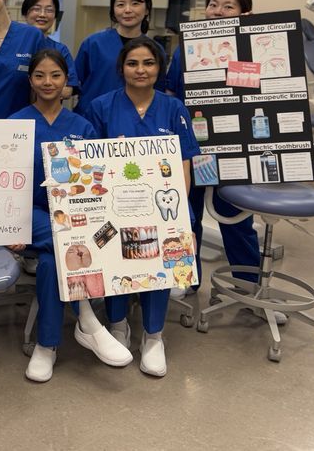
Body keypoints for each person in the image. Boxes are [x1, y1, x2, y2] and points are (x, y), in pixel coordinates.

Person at [7, 49, 132, 382]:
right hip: (27, 214)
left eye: (55, 75)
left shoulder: (83, 127)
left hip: (71, 218)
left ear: (66, 81)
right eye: (39, 75)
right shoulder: (15, 124)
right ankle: (88, 321)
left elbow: (92, 187)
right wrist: (7, 228)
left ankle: (46, 346)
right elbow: (4, 186)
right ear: (30, 80)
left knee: (53, 260)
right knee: (68, 241)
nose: (47, 82)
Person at [84, 37, 200, 378]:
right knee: (114, 257)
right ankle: (118, 325)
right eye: (132, 63)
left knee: (159, 260)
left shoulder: (173, 108)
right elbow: (90, 164)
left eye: (148, 63)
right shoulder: (101, 107)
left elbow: (184, 164)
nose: (140, 70)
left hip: (164, 207)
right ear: (121, 68)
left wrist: (177, 214)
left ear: (159, 68)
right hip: (114, 206)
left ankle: (153, 335)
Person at [166, 0, 264, 308]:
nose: (218, 11)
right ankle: (185, 277)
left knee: (236, 219)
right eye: (213, 4)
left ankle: (248, 287)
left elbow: (257, 100)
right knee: (186, 216)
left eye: (228, 6)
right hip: (191, 147)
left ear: (245, 14)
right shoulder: (185, 49)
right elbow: (171, 95)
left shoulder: (251, 52)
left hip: (231, 149)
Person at [74, 0, 165, 117]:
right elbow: (73, 82)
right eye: (121, 5)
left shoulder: (156, 50)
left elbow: (159, 92)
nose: (127, 10)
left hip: (137, 121)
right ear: (113, 10)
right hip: (93, 119)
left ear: (147, 9)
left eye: (135, 3)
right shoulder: (93, 44)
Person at [20, 0, 78, 98]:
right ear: (25, 14)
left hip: (47, 108)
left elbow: (68, 89)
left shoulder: (60, 50)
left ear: (55, 16)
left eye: (49, 10)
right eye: (36, 9)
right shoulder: (13, 44)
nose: (42, 14)